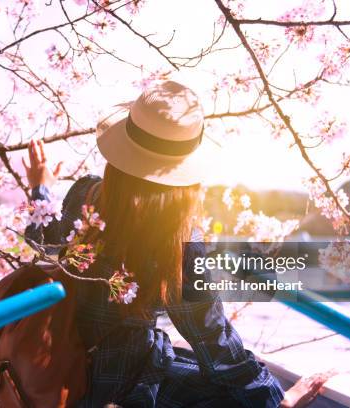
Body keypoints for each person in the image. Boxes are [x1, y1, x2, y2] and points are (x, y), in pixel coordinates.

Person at [25, 81, 328, 407]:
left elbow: (45, 245)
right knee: (226, 393)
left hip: (52, 366)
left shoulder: (86, 194)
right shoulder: (178, 242)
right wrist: (274, 399)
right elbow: (213, 341)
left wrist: (41, 190)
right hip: (117, 384)